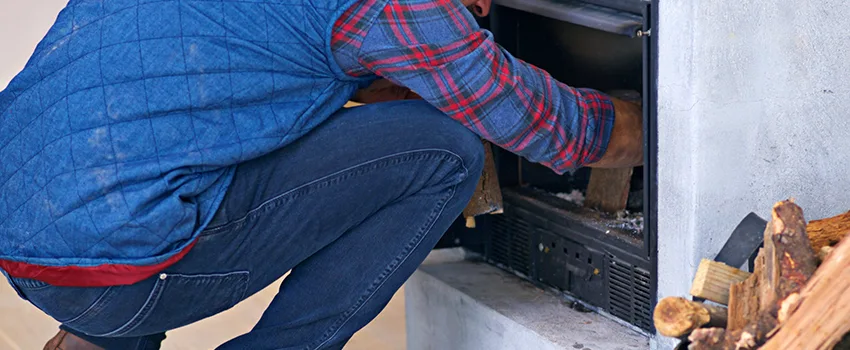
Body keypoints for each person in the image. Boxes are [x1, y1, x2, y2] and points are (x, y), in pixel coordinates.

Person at [0, 0, 642, 348]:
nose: (476, 10)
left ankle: (100, 340)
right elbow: (539, 122)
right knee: (443, 150)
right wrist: (660, 125)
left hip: (31, 251)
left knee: (160, 153)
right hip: (125, 272)